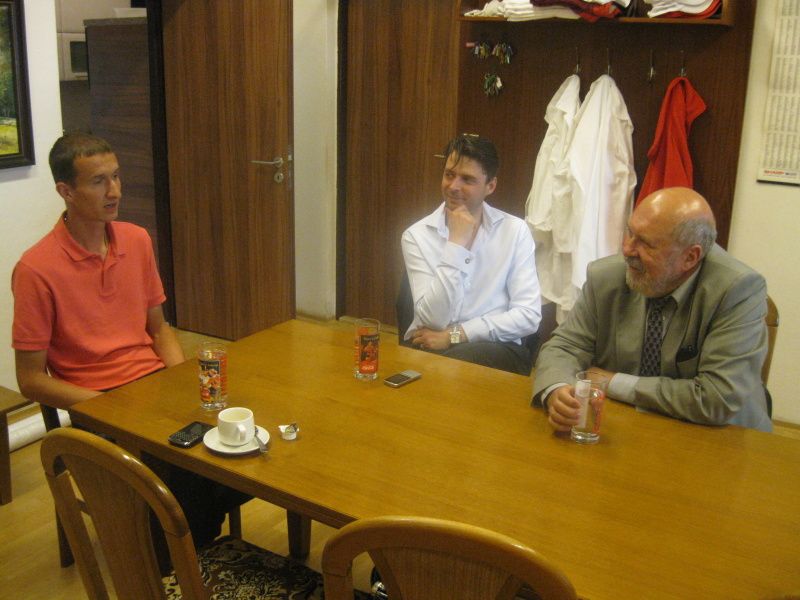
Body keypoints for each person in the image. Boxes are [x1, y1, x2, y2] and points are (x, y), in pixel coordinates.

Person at [12, 132, 245, 553]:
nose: (115, 190)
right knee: (181, 475)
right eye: (98, 181)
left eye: (117, 176)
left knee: (241, 444)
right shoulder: (36, 269)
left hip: (152, 388)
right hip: (96, 402)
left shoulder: (136, 240)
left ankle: (196, 552)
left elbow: (159, 329)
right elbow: (30, 379)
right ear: (66, 191)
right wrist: (108, 405)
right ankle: (177, 559)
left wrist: (181, 382)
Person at [532, 187, 772, 432]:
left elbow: (716, 397)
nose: (627, 250)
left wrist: (613, 382)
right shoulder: (606, 276)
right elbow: (564, 347)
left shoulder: (738, 290)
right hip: (628, 425)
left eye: (646, 243)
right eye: (630, 233)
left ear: (690, 257)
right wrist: (557, 390)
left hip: (721, 435)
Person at [401, 134, 541, 375]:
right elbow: (433, 320)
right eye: (449, 175)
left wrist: (455, 335)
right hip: (431, 343)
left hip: (496, 347)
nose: (453, 186)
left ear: (491, 186)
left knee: (445, 370)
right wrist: (456, 244)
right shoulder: (416, 235)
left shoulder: (515, 231)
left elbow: (528, 316)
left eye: (467, 179)